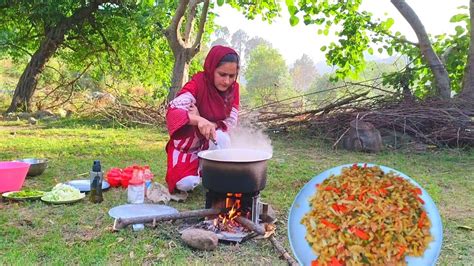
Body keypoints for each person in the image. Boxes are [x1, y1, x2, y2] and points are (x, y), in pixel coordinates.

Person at [165, 45, 240, 193]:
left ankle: (213, 175)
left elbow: (231, 122)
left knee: (223, 138)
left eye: (231, 76)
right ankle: (200, 172)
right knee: (184, 184)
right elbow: (173, 112)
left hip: (209, 143)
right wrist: (198, 121)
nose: (226, 81)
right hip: (188, 147)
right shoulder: (197, 84)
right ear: (211, 69)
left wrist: (203, 119)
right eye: (222, 74)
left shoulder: (234, 89)